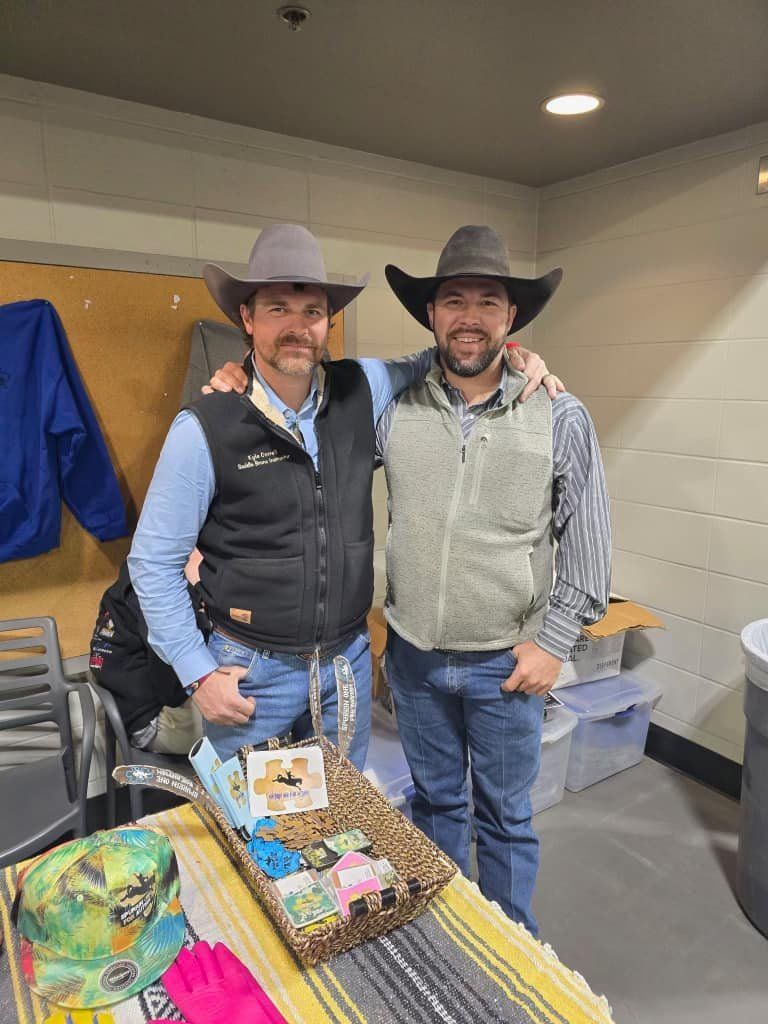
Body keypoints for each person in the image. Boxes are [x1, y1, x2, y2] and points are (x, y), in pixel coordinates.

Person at [129, 224, 560, 769]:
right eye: (277, 309)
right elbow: (153, 563)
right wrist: (197, 671)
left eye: (311, 312)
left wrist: (520, 356)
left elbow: (452, 353)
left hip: (345, 668)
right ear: (246, 318)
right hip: (247, 674)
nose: (296, 327)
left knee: (341, 831)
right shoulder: (205, 426)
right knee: (249, 833)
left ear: (328, 322)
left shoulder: (363, 388)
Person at [376, 225, 611, 935]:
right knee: (435, 803)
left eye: (488, 302)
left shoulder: (559, 414)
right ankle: (445, 937)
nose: (469, 316)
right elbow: (306, 412)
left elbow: (591, 547)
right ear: (431, 314)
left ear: (511, 321)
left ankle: (509, 952)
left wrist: (555, 643)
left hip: (506, 668)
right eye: (454, 299)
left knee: (506, 818)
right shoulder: (396, 407)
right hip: (413, 659)